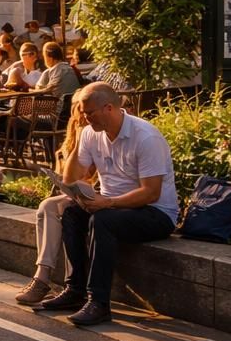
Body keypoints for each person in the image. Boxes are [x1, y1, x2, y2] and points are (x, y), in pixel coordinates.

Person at [50, 83, 179, 326]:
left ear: (109, 108)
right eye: (83, 113)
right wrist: (79, 138)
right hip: (114, 206)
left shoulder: (146, 137)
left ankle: (98, 303)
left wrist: (107, 202)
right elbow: (70, 179)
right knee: (70, 212)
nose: (85, 118)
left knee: (102, 220)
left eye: (89, 113)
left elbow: (151, 193)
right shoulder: (90, 132)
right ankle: (74, 290)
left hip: (156, 213)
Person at [15, 105, 93, 306]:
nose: (82, 115)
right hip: (79, 195)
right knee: (47, 206)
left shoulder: (99, 134)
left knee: (60, 208)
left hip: (101, 194)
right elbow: (68, 178)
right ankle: (42, 277)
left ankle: (58, 283)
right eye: (78, 110)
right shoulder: (76, 138)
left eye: (86, 110)